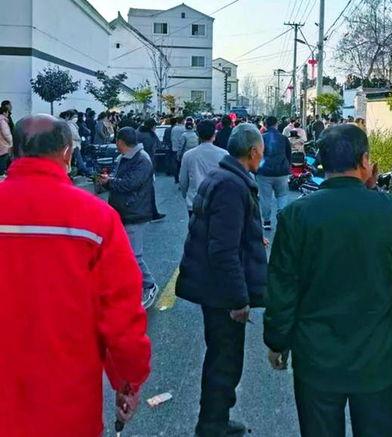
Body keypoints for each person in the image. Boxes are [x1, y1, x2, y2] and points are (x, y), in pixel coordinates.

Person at [0, 115, 151, 436]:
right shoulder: (96, 219)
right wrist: (128, 381)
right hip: (67, 399)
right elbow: (122, 317)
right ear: (67, 153)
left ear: (14, 151)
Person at [264, 124, 392, 437]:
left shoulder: (296, 215)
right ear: (365, 160)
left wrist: (277, 341)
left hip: (316, 358)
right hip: (377, 358)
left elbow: (283, 287)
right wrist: (371, 188)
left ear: (322, 162)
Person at [176, 123, 267, 437]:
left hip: (213, 287)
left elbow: (225, 235)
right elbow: (223, 250)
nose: (262, 156)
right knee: (225, 361)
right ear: (253, 151)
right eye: (261, 151)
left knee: (222, 357)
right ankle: (212, 425)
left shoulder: (224, 176)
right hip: (221, 293)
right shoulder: (231, 185)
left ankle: (216, 419)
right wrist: (239, 299)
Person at [99, 127, 159, 308]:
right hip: (123, 211)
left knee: (134, 255)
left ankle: (149, 285)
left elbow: (130, 184)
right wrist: (109, 179)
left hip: (135, 212)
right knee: (121, 253)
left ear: (120, 141)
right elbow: (121, 180)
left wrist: (109, 181)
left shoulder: (142, 159)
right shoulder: (124, 157)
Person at [179, 119, 228, 217]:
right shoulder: (224, 154)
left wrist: (185, 194)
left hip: (194, 201)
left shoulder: (188, 155)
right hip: (217, 201)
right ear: (214, 134)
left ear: (198, 134)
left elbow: (183, 180)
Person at [257, 116, 292, 231]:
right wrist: (288, 168)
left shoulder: (261, 138)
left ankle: (267, 221)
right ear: (276, 124)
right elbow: (289, 154)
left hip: (264, 172)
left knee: (265, 197)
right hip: (282, 171)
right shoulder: (283, 138)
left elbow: (257, 155)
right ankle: (281, 216)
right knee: (282, 195)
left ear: (265, 125)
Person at [136, 118, 166, 221]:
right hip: (147, 163)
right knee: (149, 190)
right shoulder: (150, 136)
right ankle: (153, 213)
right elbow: (157, 146)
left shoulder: (138, 132)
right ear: (152, 126)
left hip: (136, 163)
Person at [62, 110, 91, 176]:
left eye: (76, 116)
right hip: (74, 145)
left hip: (74, 144)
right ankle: (82, 170)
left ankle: (75, 171)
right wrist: (79, 138)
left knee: (74, 159)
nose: (76, 118)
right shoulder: (69, 124)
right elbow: (74, 135)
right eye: (74, 116)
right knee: (78, 158)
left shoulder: (72, 124)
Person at [171, 116, 186, 183]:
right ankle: (182, 178)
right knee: (182, 165)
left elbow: (171, 137)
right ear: (182, 121)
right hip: (182, 149)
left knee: (176, 165)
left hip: (175, 148)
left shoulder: (174, 128)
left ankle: (176, 178)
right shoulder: (184, 128)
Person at [0, 105, 13, 175]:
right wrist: (11, 142)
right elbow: (6, 133)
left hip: (1, 144)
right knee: (2, 164)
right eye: (8, 112)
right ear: (4, 112)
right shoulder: (2, 120)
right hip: (3, 145)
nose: (8, 114)